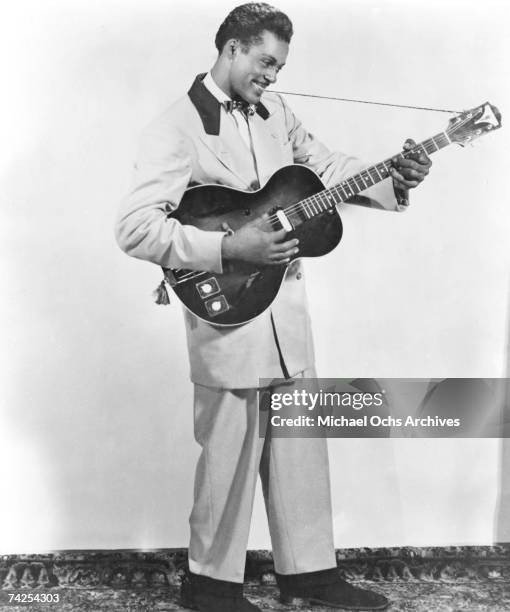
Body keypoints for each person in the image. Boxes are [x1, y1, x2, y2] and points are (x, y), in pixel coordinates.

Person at [115, 3, 431, 610]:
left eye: (280, 67)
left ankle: (311, 575)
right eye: (265, 63)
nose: (273, 77)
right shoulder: (174, 127)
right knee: (229, 449)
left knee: (300, 447)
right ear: (232, 48)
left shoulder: (276, 113)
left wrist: (397, 175)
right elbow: (133, 228)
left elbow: (326, 167)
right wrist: (230, 244)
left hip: (286, 312)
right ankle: (210, 587)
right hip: (227, 314)